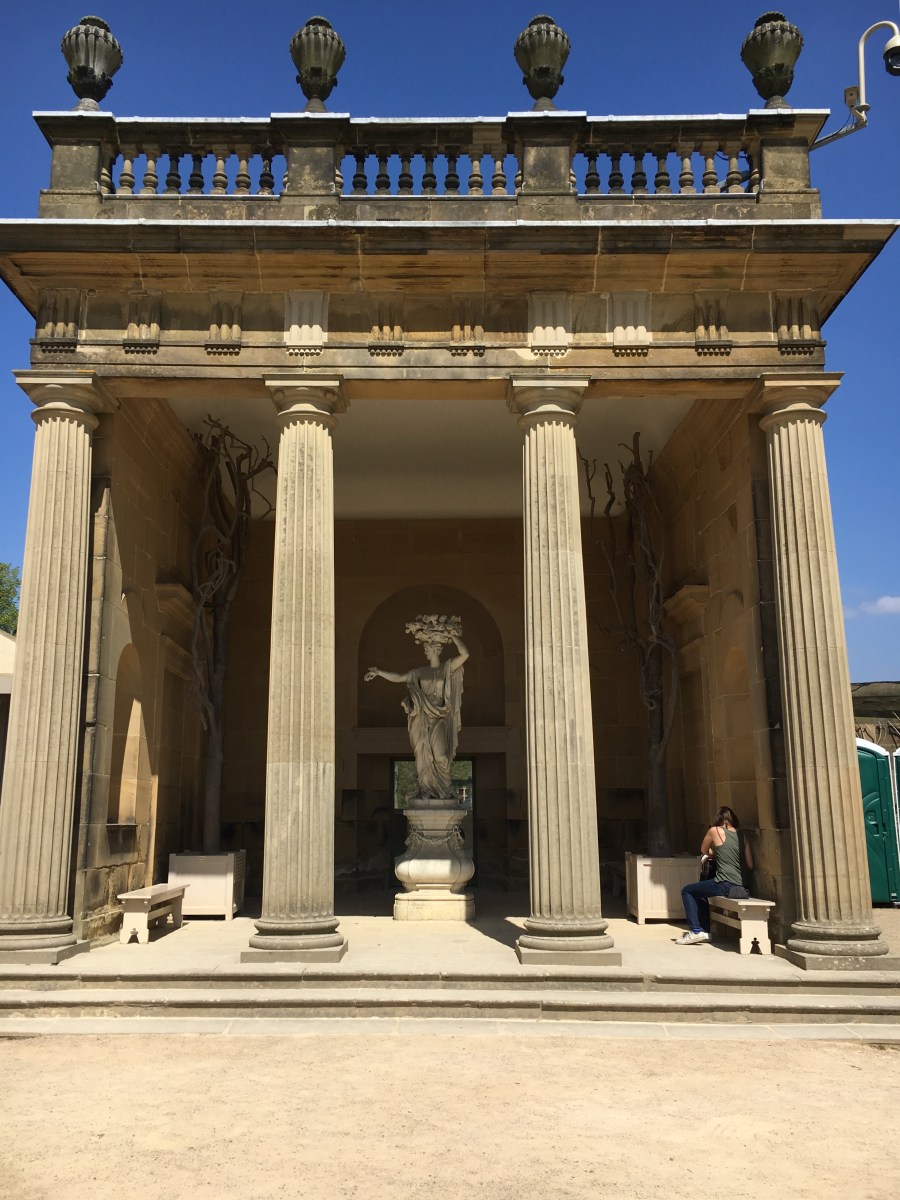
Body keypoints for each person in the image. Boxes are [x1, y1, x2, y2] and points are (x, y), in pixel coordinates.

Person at [364, 630, 468, 800]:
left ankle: (443, 791)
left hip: (440, 717)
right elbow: (399, 677)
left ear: (435, 650)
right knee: (422, 754)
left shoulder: (447, 668)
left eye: (427, 648)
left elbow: (465, 654)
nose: (425, 651)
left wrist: (452, 635)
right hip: (422, 717)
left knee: (441, 757)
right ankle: (426, 788)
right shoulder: (419, 672)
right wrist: (379, 672)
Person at [675, 805, 754, 945]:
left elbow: (704, 850)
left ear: (718, 819)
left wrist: (715, 854)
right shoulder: (742, 836)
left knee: (687, 891)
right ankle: (705, 932)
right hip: (741, 886)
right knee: (700, 892)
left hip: (724, 883)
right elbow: (750, 865)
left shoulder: (715, 830)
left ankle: (695, 930)